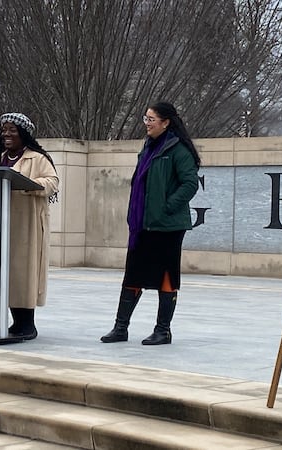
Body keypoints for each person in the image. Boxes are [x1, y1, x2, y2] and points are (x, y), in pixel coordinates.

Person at [100, 101, 200, 345]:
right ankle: (120, 327)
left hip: (167, 227)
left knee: (166, 275)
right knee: (133, 274)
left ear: (166, 123)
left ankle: (163, 330)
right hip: (142, 224)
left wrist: (166, 207)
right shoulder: (148, 147)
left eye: (151, 120)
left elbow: (190, 184)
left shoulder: (178, 150)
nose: (146, 124)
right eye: (145, 119)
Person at [0, 112, 59, 340]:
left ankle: (27, 324)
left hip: (27, 224)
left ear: (23, 133)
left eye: (12, 130)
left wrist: (29, 184)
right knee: (8, 273)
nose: (7, 134)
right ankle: (15, 321)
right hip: (3, 223)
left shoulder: (37, 158)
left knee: (24, 273)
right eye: (4, 130)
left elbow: (52, 183)